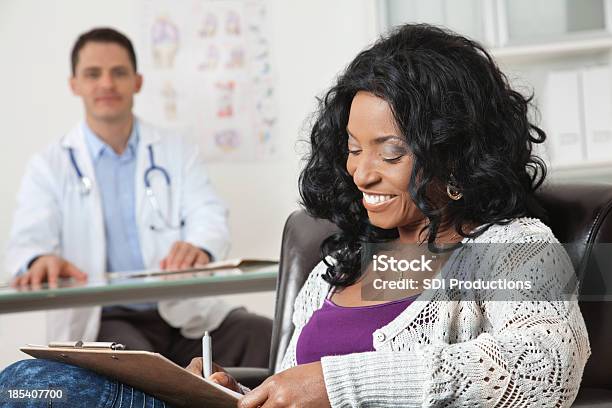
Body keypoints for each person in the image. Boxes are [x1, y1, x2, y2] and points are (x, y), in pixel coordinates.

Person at [0, 23, 590, 407]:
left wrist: (337, 385)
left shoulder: (514, 248)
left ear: (456, 149)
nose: (362, 174)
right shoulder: (340, 262)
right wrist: (242, 392)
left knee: (38, 392)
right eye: (353, 150)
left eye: (390, 152)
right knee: (35, 389)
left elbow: (546, 367)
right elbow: (290, 380)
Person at [4, 27, 271, 369]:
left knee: (267, 336)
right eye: (92, 74)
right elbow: (26, 241)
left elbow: (209, 214)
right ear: (74, 84)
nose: (106, 84)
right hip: (106, 320)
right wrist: (39, 259)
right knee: (141, 370)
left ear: (138, 81)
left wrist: (199, 247)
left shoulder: (175, 149)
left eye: (118, 72)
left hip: (182, 315)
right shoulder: (49, 165)